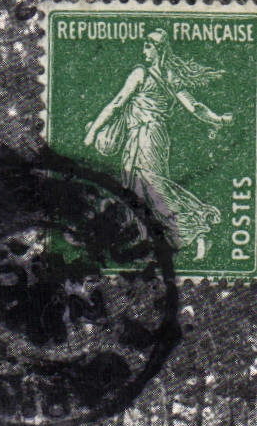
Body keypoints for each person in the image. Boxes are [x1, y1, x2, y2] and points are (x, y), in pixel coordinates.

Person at [84, 29, 232, 260]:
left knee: (153, 187)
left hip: (146, 136)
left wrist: (93, 132)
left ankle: (197, 228)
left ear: (158, 48)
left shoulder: (140, 74)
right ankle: (156, 240)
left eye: (148, 45)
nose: (144, 50)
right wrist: (217, 119)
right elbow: (195, 107)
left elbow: (117, 104)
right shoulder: (170, 76)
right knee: (139, 189)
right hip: (151, 137)